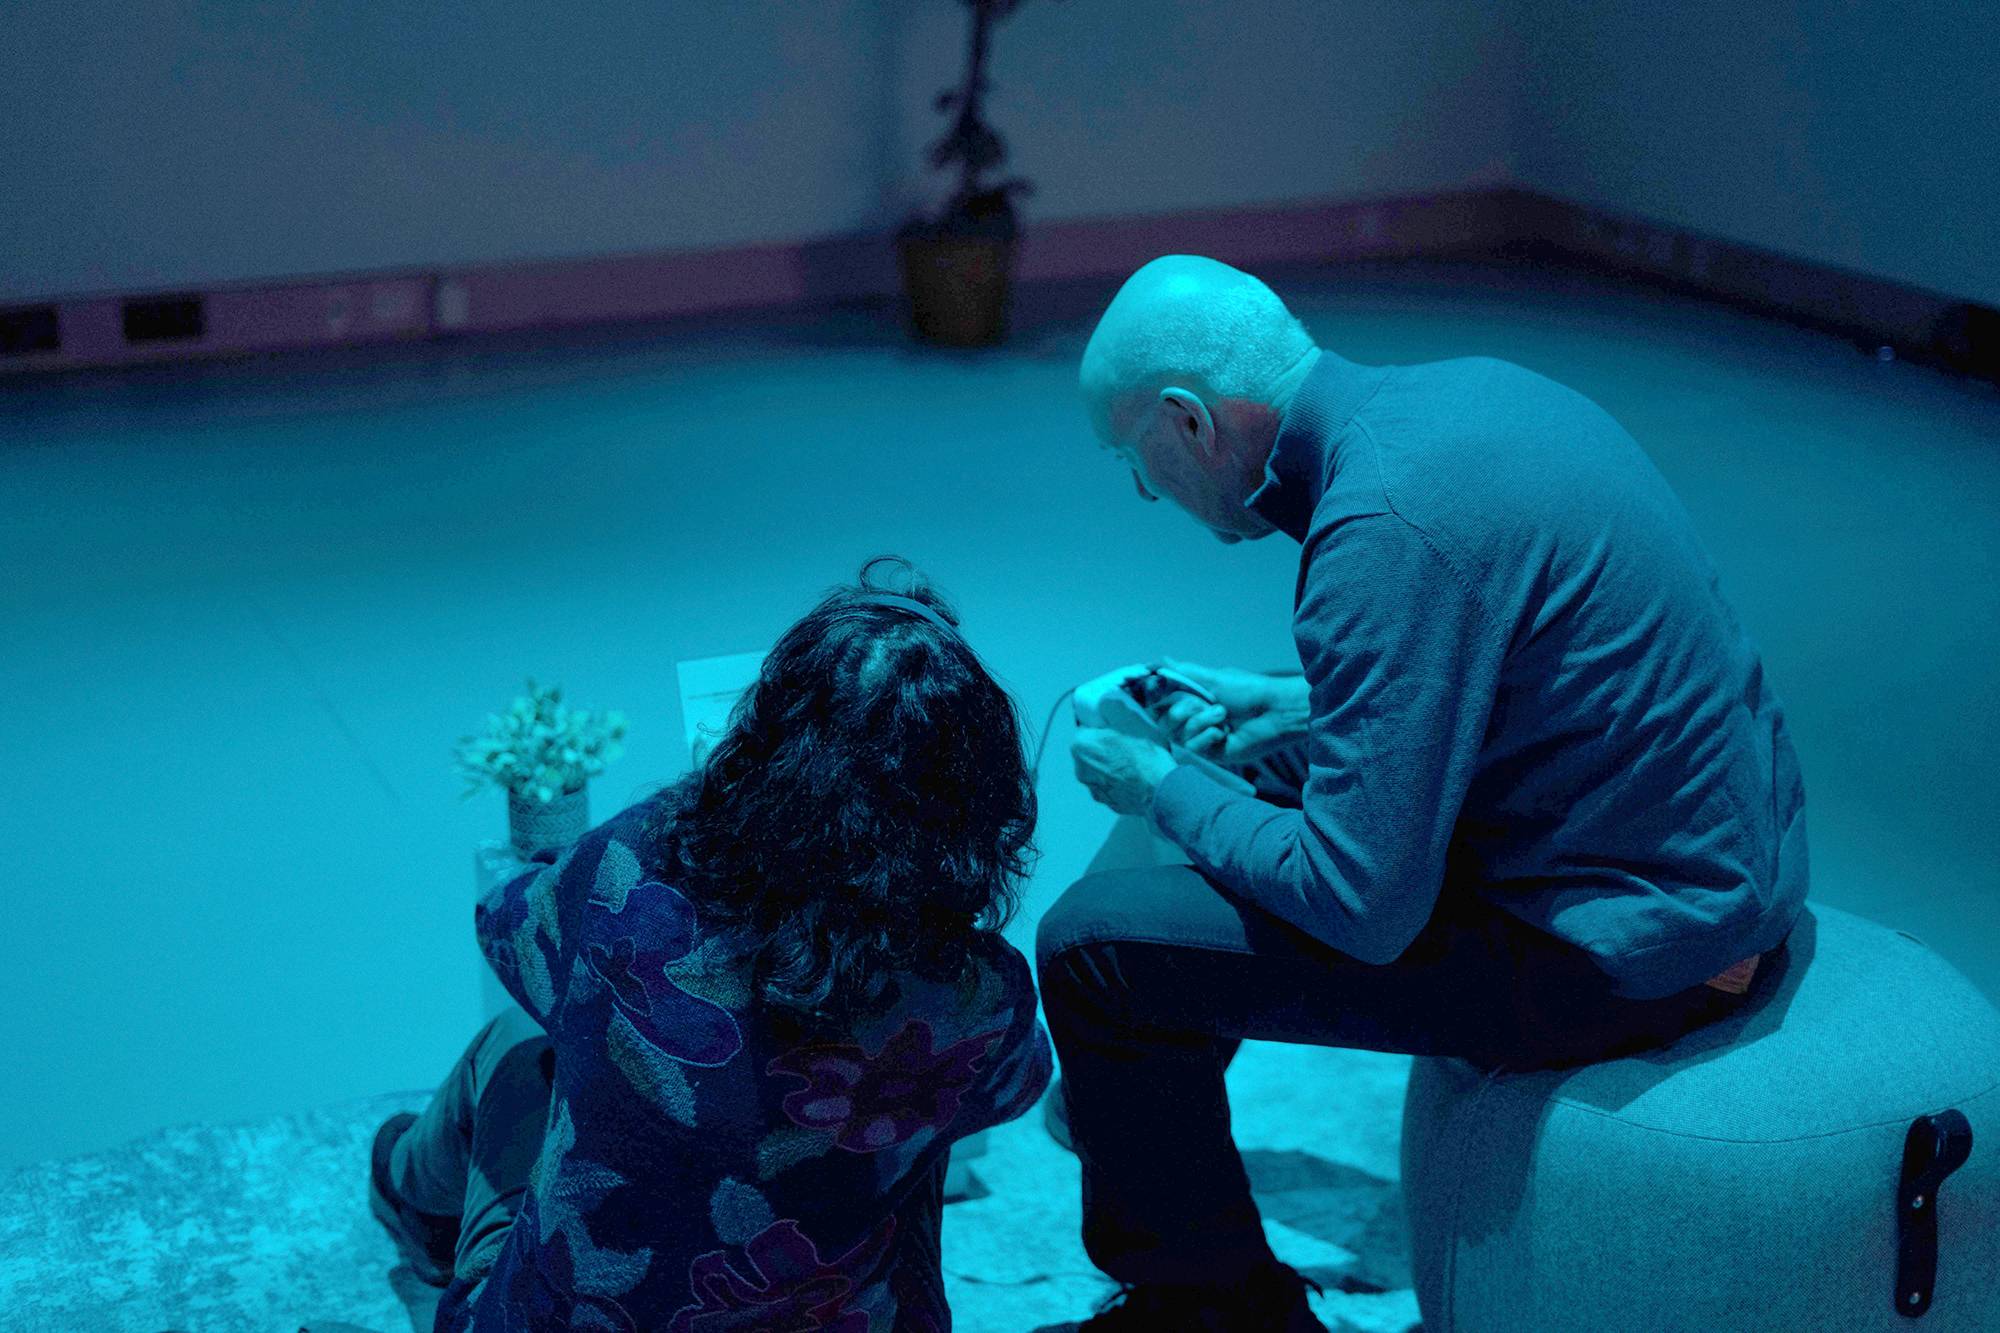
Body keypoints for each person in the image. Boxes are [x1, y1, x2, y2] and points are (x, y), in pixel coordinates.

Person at [1036, 256, 1809, 1332]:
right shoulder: (1469, 398)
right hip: (1717, 867)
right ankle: (1152, 1105)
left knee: (1092, 948)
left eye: (1132, 456)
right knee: (1252, 772)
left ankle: (1209, 1310)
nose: (1138, 489)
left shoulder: (1380, 528)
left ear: (1189, 421)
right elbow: (1494, 656)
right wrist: (1287, 702)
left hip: (1635, 955)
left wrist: (1160, 784)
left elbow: (1363, 905)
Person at [369, 557, 1053, 1332]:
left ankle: (409, 1197)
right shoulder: (979, 997)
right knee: (909, 1136)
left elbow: (504, 928)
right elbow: (1021, 1080)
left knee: (516, 1047)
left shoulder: (631, 873)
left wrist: (707, 804)